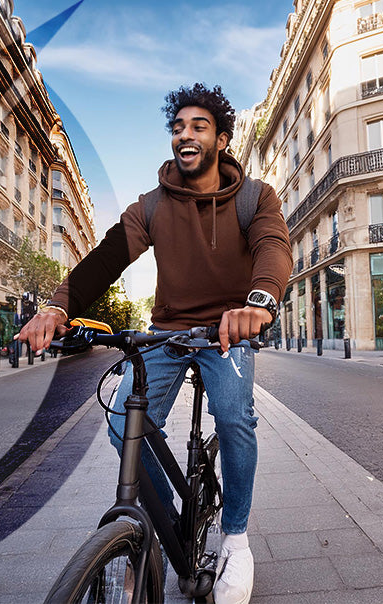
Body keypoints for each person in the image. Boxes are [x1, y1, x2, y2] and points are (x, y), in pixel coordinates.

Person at [18, 83, 291, 603]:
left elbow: (273, 247)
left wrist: (258, 303)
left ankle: (235, 536)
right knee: (123, 426)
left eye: (198, 126)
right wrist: (57, 306)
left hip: (229, 333)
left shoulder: (256, 197)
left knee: (235, 417)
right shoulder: (151, 206)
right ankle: (165, 526)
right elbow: (106, 258)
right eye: (177, 127)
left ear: (222, 140)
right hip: (167, 332)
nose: (185, 135)